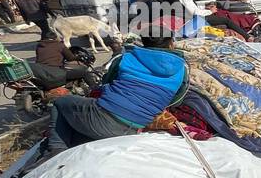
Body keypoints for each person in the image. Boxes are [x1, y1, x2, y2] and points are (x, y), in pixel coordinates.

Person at [47, 45, 185, 154]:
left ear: (143, 42)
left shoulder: (126, 57)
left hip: (102, 118)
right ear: (171, 44)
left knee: (60, 102)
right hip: (135, 127)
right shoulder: (182, 69)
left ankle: (56, 150)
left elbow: (106, 82)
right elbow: (176, 101)